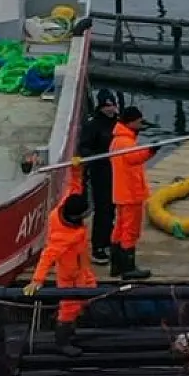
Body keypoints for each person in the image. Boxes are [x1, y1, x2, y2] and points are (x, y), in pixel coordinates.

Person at [22, 158, 96, 357]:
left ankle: (72, 325)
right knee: (69, 306)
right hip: (70, 275)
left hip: (82, 268)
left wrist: (76, 169)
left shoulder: (66, 204)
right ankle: (62, 340)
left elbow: (74, 186)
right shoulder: (63, 237)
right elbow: (47, 256)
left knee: (90, 291)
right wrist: (37, 280)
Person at [107, 106, 155, 280]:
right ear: (131, 122)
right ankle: (128, 267)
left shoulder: (117, 140)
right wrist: (151, 150)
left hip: (121, 192)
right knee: (130, 231)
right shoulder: (125, 142)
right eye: (139, 121)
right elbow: (135, 158)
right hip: (130, 193)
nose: (141, 125)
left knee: (119, 228)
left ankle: (116, 265)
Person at [77, 89, 120, 265]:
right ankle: (98, 246)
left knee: (112, 208)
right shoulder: (93, 125)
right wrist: (99, 155)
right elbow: (84, 148)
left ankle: (110, 238)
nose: (111, 109)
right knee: (102, 209)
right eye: (107, 106)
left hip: (116, 170)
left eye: (113, 105)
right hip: (100, 171)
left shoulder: (117, 124)